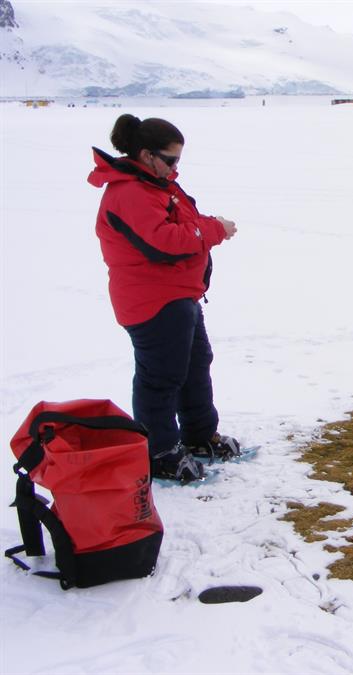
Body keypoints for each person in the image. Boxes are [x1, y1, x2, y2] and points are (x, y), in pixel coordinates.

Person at [88, 114, 240, 483]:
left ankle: (199, 435)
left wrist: (207, 225)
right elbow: (166, 243)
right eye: (170, 159)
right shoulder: (129, 193)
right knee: (161, 377)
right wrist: (215, 230)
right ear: (145, 154)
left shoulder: (157, 185)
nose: (175, 167)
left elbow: (186, 223)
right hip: (152, 302)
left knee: (194, 365)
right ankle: (159, 453)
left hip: (180, 296)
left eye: (178, 160)